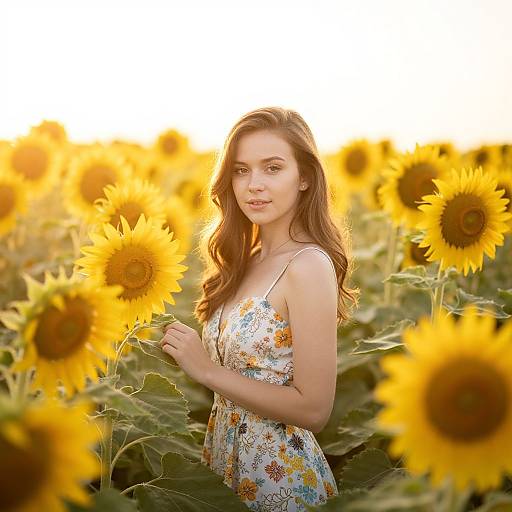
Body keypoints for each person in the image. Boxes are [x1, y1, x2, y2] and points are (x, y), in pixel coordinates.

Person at [160, 106, 358, 511]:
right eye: (240, 170)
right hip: (224, 467)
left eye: (272, 168)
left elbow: (315, 408)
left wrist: (206, 371)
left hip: (279, 482)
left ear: (304, 177)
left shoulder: (307, 265)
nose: (254, 185)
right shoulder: (245, 260)